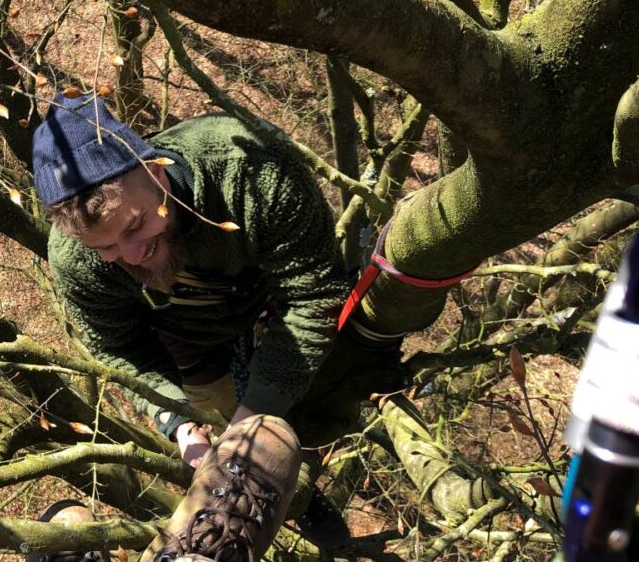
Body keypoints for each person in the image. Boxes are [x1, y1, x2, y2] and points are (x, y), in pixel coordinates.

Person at [34, 93, 404, 557]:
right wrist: (181, 426)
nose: (129, 255)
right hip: (190, 340)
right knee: (234, 454)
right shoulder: (75, 258)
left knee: (282, 426)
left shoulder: (252, 168)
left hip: (273, 299)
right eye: (106, 248)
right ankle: (290, 500)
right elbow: (117, 346)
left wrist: (250, 431)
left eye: (134, 226)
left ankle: (292, 478)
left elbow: (312, 295)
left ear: (156, 170)